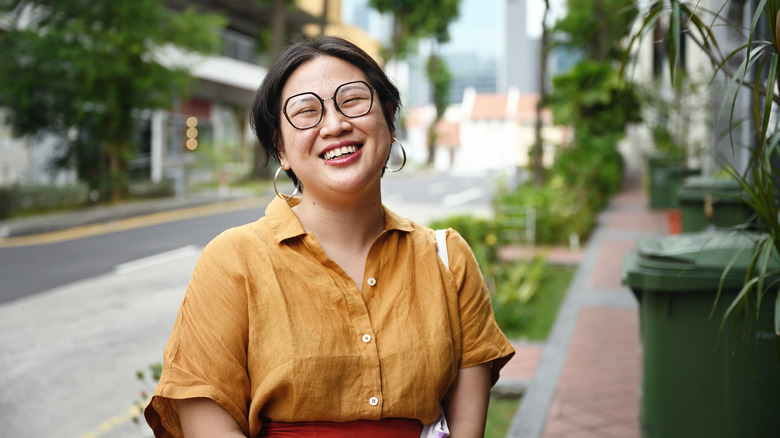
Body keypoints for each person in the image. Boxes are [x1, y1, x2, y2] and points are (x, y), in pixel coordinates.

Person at [144, 35, 515, 438]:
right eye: (306, 111)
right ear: (281, 149)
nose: (335, 125)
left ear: (389, 120)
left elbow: (466, 427)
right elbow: (206, 417)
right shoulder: (233, 260)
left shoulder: (448, 259)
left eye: (353, 100)